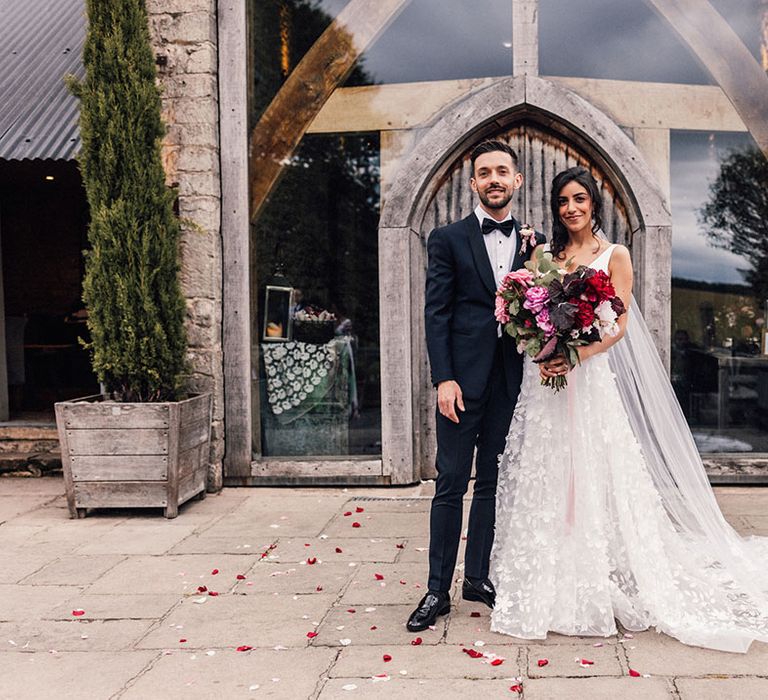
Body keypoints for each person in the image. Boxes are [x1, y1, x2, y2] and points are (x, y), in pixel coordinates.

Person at [490, 166, 768, 653]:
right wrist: (539, 345)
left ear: (593, 203)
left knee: (594, 470)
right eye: (562, 202)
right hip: (545, 380)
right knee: (548, 469)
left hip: (589, 376)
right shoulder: (543, 256)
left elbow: (616, 326)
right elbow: (525, 310)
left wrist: (577, 353)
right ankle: (547, 576)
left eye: (579, 199)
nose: (571, 208)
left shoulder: (615, 256)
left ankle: (594, 573)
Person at [407, 140, 545, 632]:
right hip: (460, 384)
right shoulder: (446, 238)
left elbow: (545, 313)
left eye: (502, 172)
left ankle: (478, 578)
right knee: (449, 483)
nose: (494, 179)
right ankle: (436, 589)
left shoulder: (536, 243)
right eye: (484, 172)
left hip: (511, 382)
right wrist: (443, 378)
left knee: (490, 482)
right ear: (473, 183)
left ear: (517, 181)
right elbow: (436, 312)